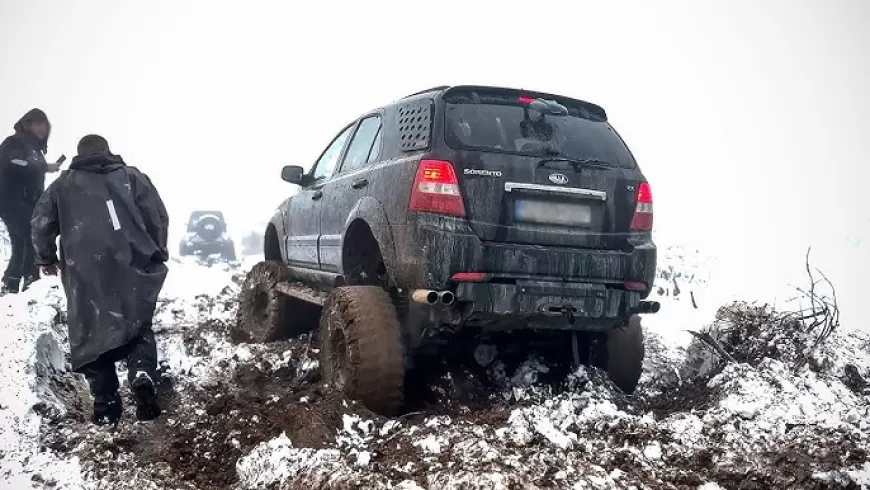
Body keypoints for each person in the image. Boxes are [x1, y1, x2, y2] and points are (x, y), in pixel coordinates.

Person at [31, 134, 169, 425]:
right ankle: (141, 372)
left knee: (90, 330)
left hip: (83, 271)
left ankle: (106, 404)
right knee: (137, 323)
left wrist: (45, 258)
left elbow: (41, 222)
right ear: (108, 151)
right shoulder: (131, 178)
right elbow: (157, 215)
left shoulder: (62, 185)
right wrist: (158, 249)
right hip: (132, 262)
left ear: (79, 155)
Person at [0, 109, 60, 294]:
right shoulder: (15, 142)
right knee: (34, 240)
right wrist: (44, 167)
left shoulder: (34, 148)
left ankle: (9, 287)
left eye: (44, 123)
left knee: (21, 245)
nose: (41, 127)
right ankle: (31, 286)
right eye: (36, 123)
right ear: (27, 124)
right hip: (13, 201)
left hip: (26, 203)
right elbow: (14, 163)